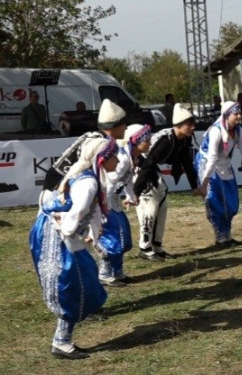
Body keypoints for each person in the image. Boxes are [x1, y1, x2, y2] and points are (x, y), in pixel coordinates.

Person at [29, 137, 118, 359]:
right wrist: (72, 232)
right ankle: (61, 342)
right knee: (72, 283)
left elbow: (89, 212)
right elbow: (76, 212)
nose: (117, 159)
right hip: (57, 233)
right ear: (102, 159)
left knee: (82, 280)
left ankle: (62, 339)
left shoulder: (91, 178)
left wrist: (89, 233)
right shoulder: (88, 182)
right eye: (113, 155)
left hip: (58, 230)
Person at [132, 104, 200, 260]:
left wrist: (194, 186)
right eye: (190, 124)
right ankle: (145, 247)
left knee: (162, 205)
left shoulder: (183, 140)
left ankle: (156, 245)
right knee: (150, 207)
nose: (193, 128)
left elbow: (187, 162)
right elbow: (148, 163)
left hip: (151, 169)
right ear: (179, 124)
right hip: (142, 169)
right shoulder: (166, 140)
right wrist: (135, 192)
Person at [195, 101, 242, 247]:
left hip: (223, 162)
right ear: (226, 115)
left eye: (240, 113)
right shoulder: (216, 131)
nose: (239, 116)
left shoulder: (238, 131)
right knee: (214, 199)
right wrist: (204, 184)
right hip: (207, 163)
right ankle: (220, 236)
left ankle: (227, 235)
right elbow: (211, 157)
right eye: (235, 114)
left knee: (230, 198)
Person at [96, 123, 152, 287]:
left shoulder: (130, 157)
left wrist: (131, 196)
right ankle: (105, 273)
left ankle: (117, 272)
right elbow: (110, 182)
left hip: (113, 201)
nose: (149, 143)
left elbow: (126, 180)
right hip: (107, 202)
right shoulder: (122, 159)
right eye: (146, 139)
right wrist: (103, 208)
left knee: (124, 239)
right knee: (113, 240)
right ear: (136, 140)